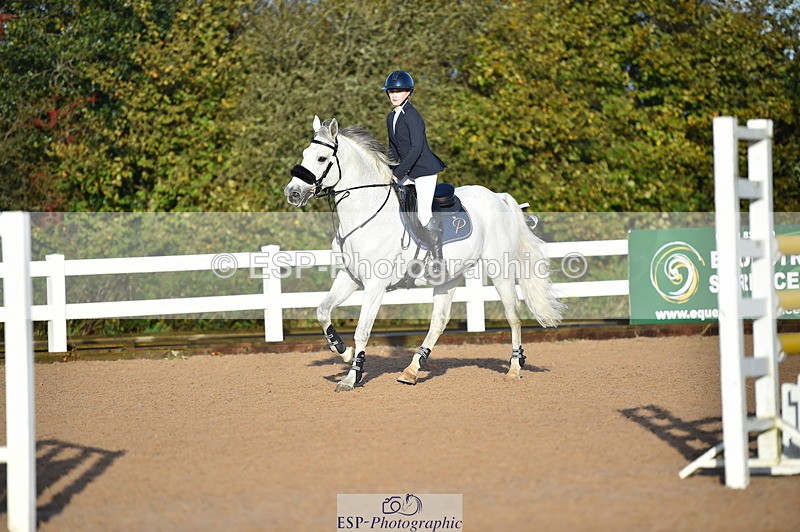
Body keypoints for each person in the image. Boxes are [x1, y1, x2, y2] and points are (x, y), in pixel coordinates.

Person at [382, 70, 447, 272]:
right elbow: (393, 148)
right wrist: (387, 168)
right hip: (407, 170)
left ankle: (438, 261)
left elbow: (416, 148)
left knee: (423, 214)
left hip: (424, 170)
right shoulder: (391, 117)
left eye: (399, 91)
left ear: (409, 92)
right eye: (391, 91)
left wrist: (398, 173)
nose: (394, 95)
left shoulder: (412, 115)